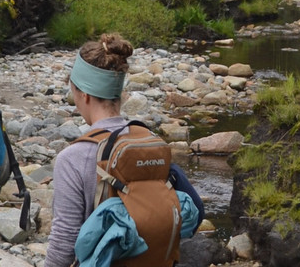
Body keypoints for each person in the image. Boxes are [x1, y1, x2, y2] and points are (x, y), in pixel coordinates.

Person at [44, 33, 201, 267]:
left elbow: (64, 243)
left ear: (84, 95)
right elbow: (196, 210)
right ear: (119, 94)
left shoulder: (72, 158)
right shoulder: (149, 143)